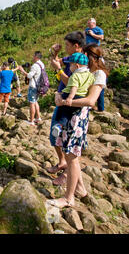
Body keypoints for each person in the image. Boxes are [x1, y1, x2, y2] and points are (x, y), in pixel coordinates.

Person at [48, 43, 109, 208]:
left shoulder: (99, 74)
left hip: (77, 117)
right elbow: (72, 83)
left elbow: (90, 100)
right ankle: (80, 189)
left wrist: (65, 102)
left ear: (90, 57)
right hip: (72, 114)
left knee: (72, 157)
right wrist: (59, 72)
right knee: (70, 154)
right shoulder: (87, 72)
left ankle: (68, 198)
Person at [48, 31, 85, 183]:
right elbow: (55, 62)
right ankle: (62, 162)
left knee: (69, 142)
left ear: (76, 46)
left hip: (71, 105)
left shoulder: (82, 61)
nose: (66, 47)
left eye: (67, 45)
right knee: (55, 135)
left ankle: (68, 175)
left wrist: (58, 70)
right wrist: (55, 54)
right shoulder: (70, 58)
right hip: (62, 100)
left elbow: (73, 82)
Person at [51, 53, 95, 139]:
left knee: (61, 110)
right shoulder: (90, 75)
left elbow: (74, 87)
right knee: (70, 113)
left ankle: (59, 125)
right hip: (81, 97)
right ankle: (63, 126)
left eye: (70, 65)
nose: (69, 67)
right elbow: (90, 85)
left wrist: (70, 98)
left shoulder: (75, 76)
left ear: (77, 66)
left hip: (70, 95)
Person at [17, 51, 44, 126]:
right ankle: (38, 118)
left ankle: (31, 121)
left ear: (36, 57)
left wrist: (22, 70)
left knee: (32, 103)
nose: (32, 57)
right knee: (35, 101)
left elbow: (29, 76)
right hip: (39, 86)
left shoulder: (35, 65)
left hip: (33, 86)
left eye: (33, 56)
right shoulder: (41, 64)